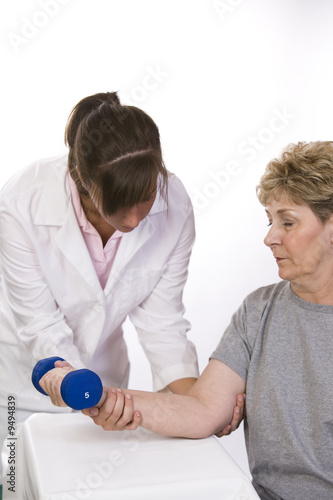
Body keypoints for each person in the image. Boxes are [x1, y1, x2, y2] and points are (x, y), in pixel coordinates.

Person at [57, 140, 332, 500]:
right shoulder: (259, 311)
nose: (269, 238)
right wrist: (111, 400)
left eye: (288, 222)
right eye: (270, 221)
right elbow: (203, 410)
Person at [0, 92, 244, 478]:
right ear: (81, 180)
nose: (133, 219)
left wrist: (199, 407)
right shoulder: (22, 201)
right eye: (117, 204)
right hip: (21, 386)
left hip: (108, 386)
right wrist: (81, 390)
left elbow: (163, 322)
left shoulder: (174, 203)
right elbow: (41, 327)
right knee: (14, 481)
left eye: (145, 198)